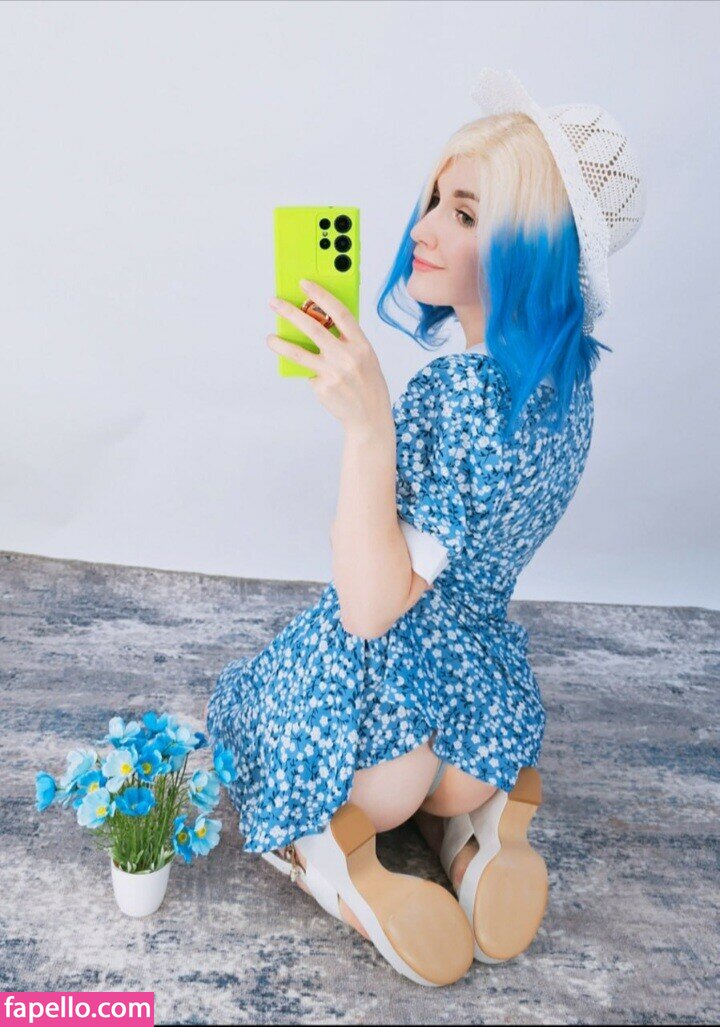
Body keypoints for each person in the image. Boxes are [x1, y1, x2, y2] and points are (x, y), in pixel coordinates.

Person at [205, 68, 646, 987]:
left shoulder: (459, 393)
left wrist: (369, 427)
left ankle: (342, 865)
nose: (424, 228)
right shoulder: (565, 391)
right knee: (449, 771)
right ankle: (473, 828)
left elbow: (371, 607)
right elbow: (466, 545)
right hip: (480, 706)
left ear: (529, 249)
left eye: (465, 213)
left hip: (391, 735)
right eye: (436, 200)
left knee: (256, 717)